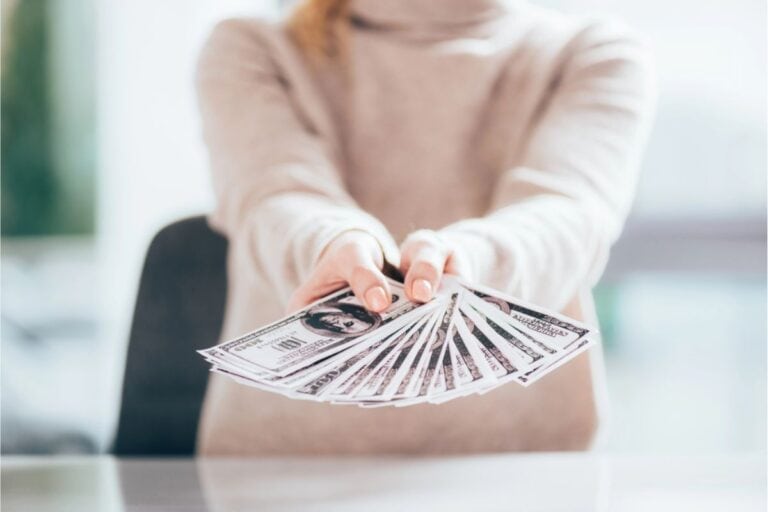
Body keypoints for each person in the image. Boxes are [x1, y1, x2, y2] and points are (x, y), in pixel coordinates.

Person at [195, 0, 655, 455]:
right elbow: (274, 193)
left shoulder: (591, 54)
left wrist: (470, 261)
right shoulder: (252, 46)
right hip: (277, 468)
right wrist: (333, 243)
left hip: (518, 465)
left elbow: (565, 213)